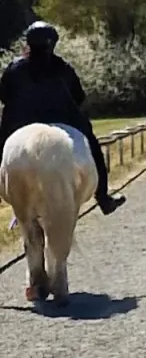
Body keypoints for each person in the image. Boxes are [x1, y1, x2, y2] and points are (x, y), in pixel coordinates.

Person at [0, 21, 125, 215]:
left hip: (18, 122)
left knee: (3, 148)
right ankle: (103, 198)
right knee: (91, 144)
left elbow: (4, 95)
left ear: (29, 43)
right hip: (63, 120)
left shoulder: (14, 69)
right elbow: (79, 97)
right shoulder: (62, 68)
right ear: (53, 43)